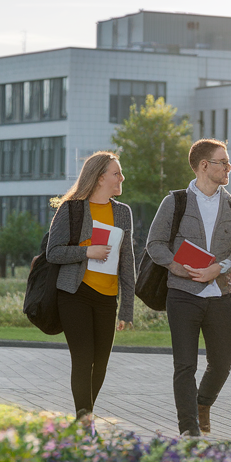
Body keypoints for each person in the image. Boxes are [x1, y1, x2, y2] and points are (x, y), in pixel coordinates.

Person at [146, 139, 231, 437]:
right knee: (185, 366)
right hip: (182, 296)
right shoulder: (175, 202)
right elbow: (154, 244)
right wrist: (176, 267)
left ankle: (202, 404)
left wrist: (219, 268)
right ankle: (189, 428)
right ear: (204, 165)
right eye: (223, 162)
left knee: (222, 363)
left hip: (220, 295)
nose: (228, 167)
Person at [45, 150, 135, 430]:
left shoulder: (122, 212)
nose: (122, 177)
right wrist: (87, 251)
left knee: (101, 364)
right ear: (99, 178)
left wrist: (128, 308)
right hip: (75, 294)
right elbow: (53, 253)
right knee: (83, 360)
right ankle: (86, 423)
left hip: (107, 299)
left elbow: (127, 261)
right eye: (116, 173)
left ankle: (83, 419)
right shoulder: (71, 209)